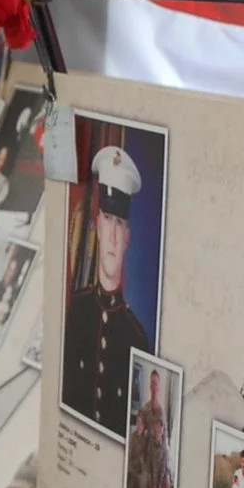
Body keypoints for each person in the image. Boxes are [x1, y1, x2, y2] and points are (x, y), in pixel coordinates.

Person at [60, 144, 153, 436]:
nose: (113, 235)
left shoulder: (136, 337)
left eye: (120, 223)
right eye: (108, 220)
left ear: (128, 237)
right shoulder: (74, 311)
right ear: (97, 226)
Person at [126, 367, 173, 488]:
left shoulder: (162, 414)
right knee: (143, 482)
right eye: (152, 383)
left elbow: (164, 444)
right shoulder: (145, 409)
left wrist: (163, 473)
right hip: (146, 457)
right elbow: (139, 431)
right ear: (149, 386)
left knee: (164, 485)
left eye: (156, 384)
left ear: (159, 387)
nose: (154, 386)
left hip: (158, 457)